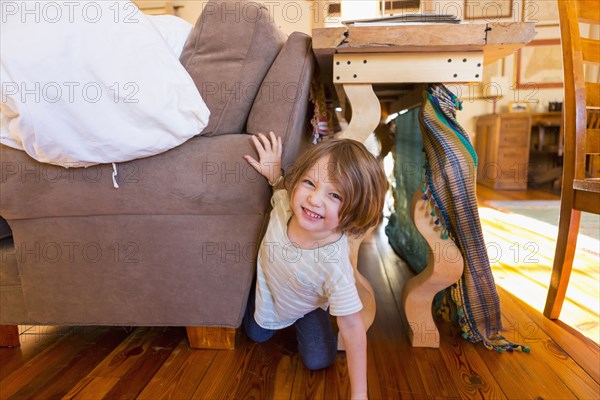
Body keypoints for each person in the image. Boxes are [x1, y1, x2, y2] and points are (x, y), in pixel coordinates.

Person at [242, 132, 387, 400]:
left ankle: (307, 323)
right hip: (269, 293)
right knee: (256, 335)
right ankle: (263, 308)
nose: (314, 200)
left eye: (334, 195)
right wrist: (274, 173)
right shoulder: (287, 203)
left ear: (356, 210)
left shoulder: (334, 266)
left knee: (319, 361)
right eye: (309, 182)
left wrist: (360, 394)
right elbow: (281, 188)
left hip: (307, 307)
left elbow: (353, 328)